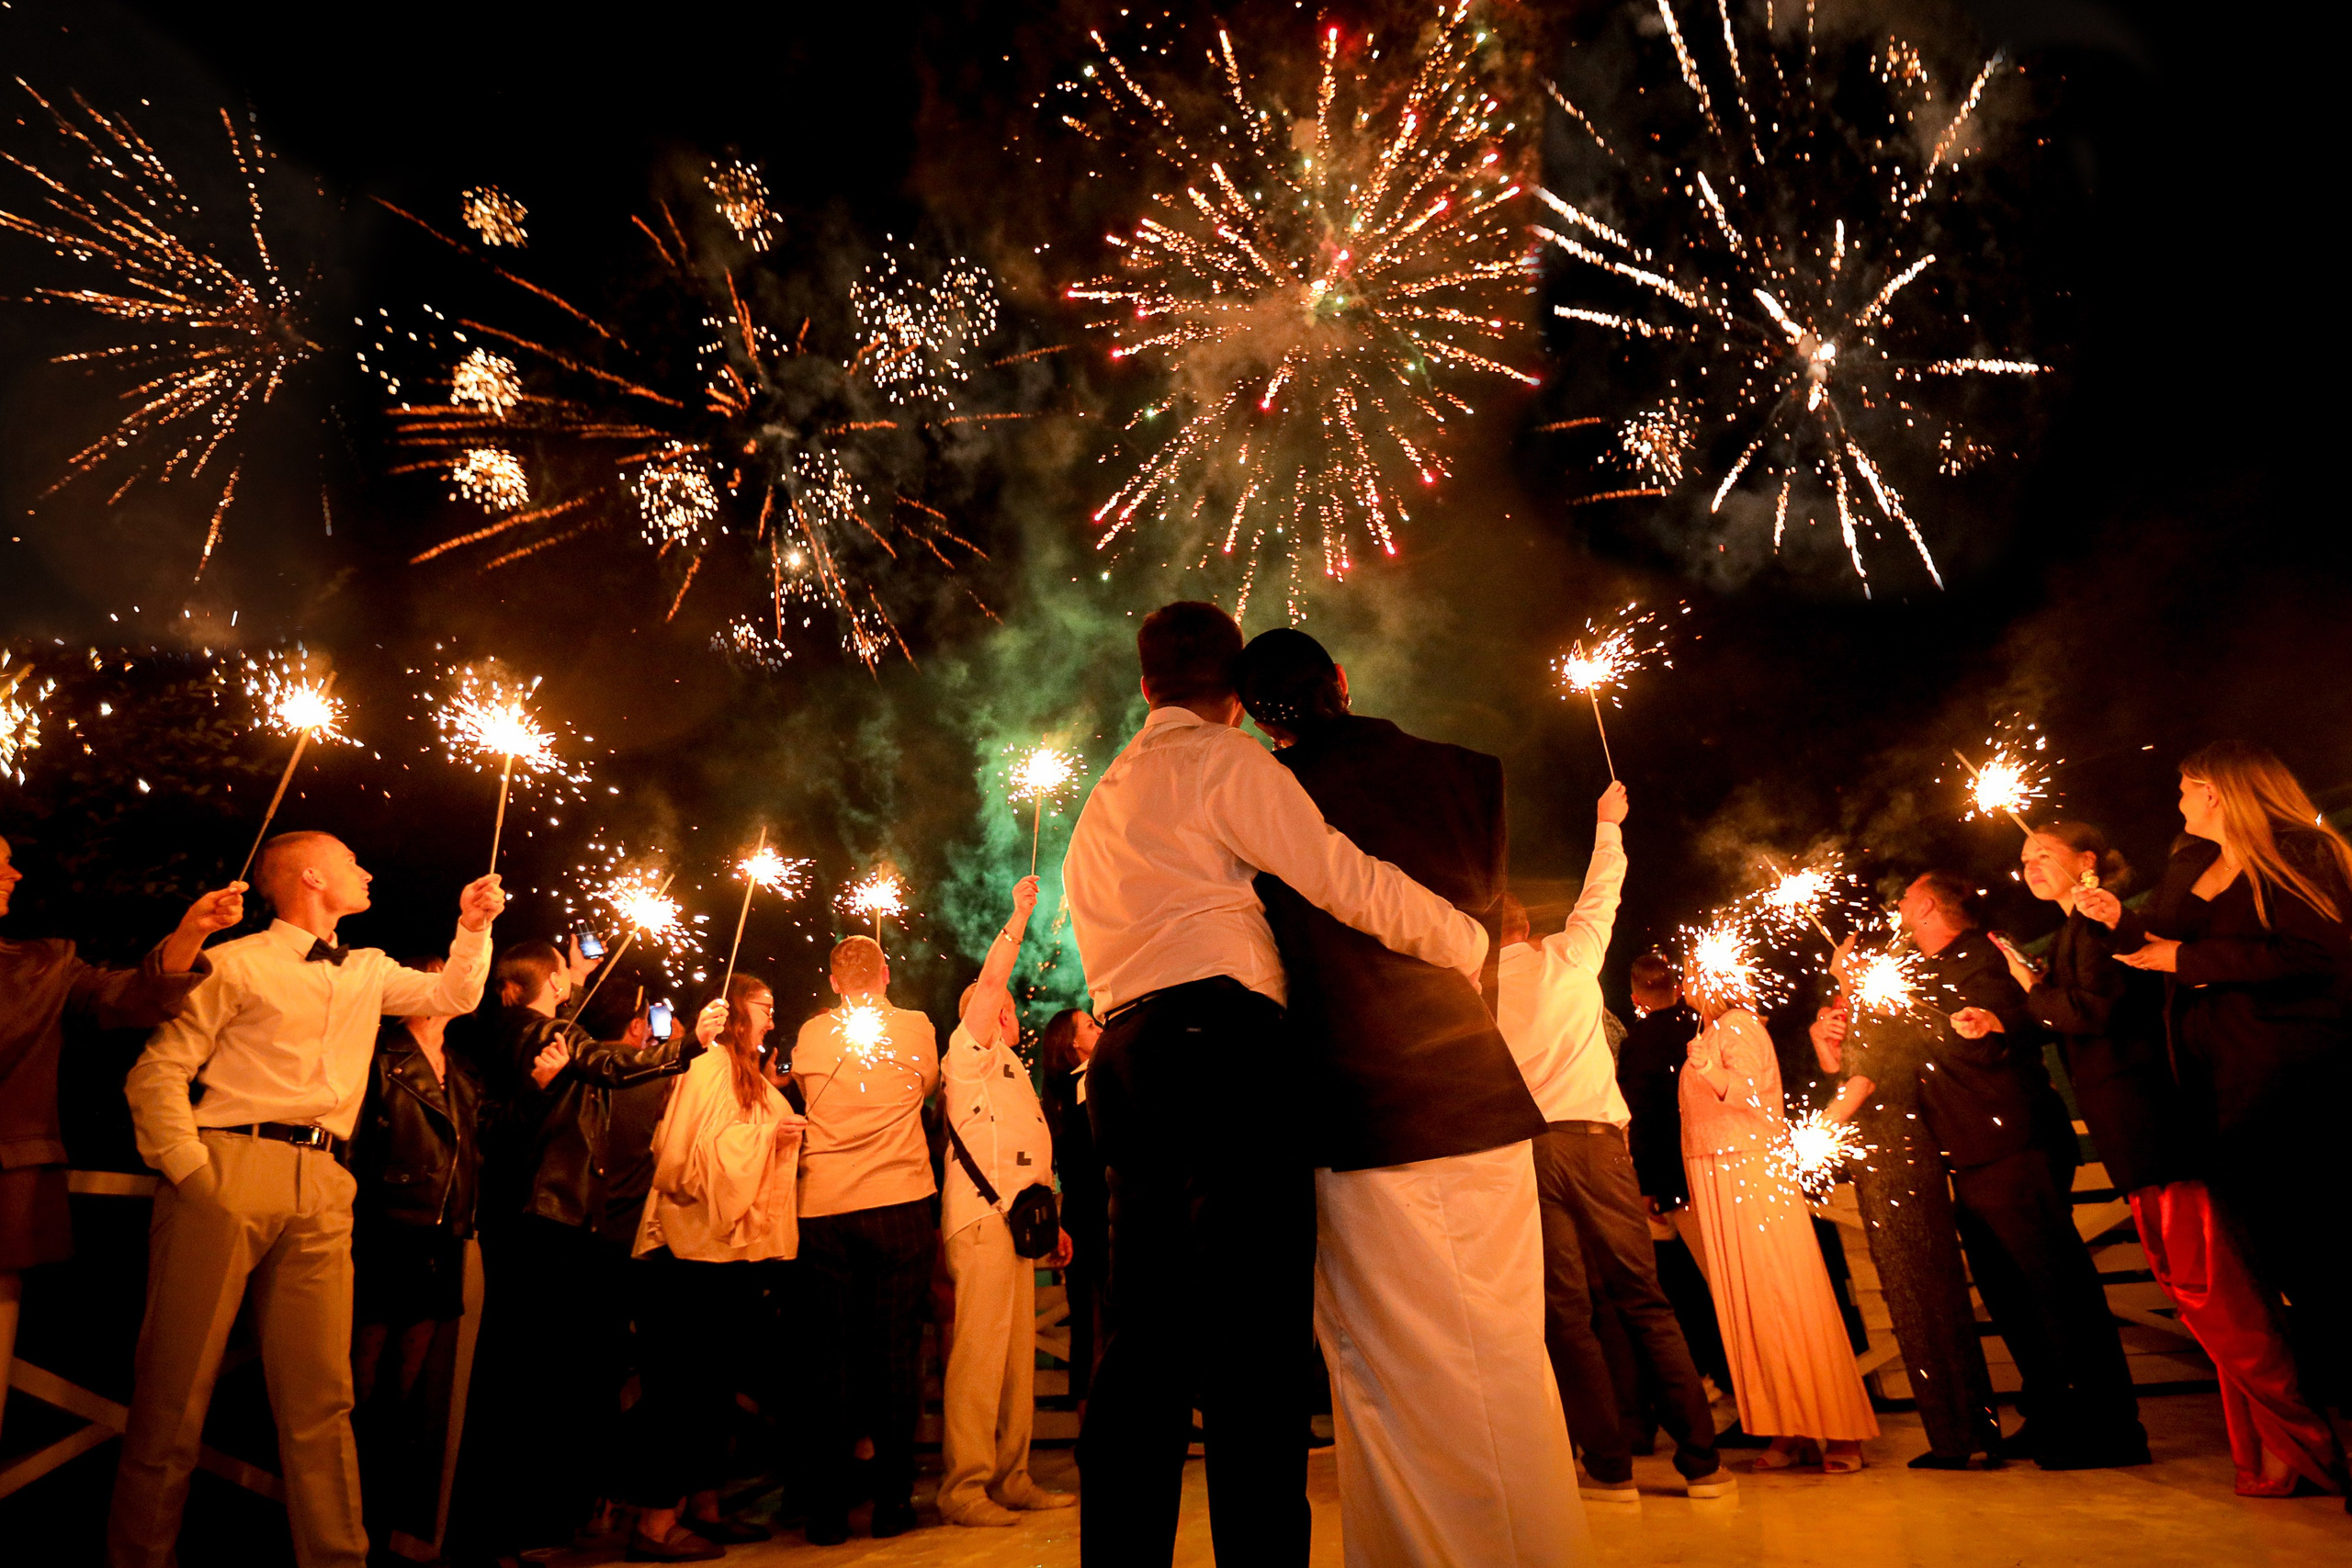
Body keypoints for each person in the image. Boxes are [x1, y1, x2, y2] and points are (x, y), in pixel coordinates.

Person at [1062, 604, 1493, 1568]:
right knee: (1251, 1342)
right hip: (1224, 1050)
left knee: (1141, 1344)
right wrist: (1462, 938)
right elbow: (1343, 876)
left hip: (1124, 1058)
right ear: (1236, 695)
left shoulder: (1101, 798)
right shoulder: (1226, 762)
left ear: (1144, 686)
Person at [1236, 626, 1583, 1566]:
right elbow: (1479, 933)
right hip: (1477, 1091)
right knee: (1507, 1352)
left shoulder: (1271, 799)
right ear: (1341, 682)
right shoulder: (1469, 772)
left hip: (1359, 1114)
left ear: (1260, 724)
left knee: (1387, 1376)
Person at [112, 831, 502, 1568]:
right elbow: (158, 1070)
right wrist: (193, 1169)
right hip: (228, 1163)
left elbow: (454, 993)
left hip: (325, 1181)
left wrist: (473, 925)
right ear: (314, 876)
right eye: (355, 862)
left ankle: (336, 1560)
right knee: (173, 1394)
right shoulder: (234, 961)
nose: (369, 869)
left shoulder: (367, 968)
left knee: (324, 1398)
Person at [2013, 818, 2340, 1496]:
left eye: (2042, 852)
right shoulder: (2076, 932)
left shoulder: (2106, 926)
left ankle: (2306, 1444)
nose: (2029, 866)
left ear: (2088, 859)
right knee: (2204, 1300)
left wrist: (2031, 995)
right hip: (2136, 1141)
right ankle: (2268, 1448)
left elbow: (2100, 1014)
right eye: (2023, 858)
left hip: (2161, 1134)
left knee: (2223, 1298)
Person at [1837, 872, 2146, 1469]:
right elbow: (1895, 1042)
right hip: (1968, 1154)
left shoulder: (1986, 955)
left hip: (2015, 1146)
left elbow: (2010, 1024)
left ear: (1927, 905)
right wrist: (1852, 989)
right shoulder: (1920, 970)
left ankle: (2113, 1427)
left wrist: (1987, 1022)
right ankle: (2051, 1412)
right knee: (2011, 1296)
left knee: (2057, 1288)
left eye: (1905, 897)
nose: (1896, 904)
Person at [2106, 742, 2352, 1456]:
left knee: (2331, 1263)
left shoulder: (2300, 850)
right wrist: (2115, 921)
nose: (2177, 801)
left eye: (2185, 787)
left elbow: (2319, 956)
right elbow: (2161, 944)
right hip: (2232, 1096)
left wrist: (2187, 962)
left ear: (2216, 791)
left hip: (2303, 1087)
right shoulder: (2198, 864)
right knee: (2296, 1276)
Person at [1494, 783, 1729, 1506]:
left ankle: (1610, 1469)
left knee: (1566, 1311)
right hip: (1597, 1146)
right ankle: (1703, 1463)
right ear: (1528, 924)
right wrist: (1606, 824)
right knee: (1644, 1299)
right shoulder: (1569, 957)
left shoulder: (1471, 992)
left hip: (1529, 1153)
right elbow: (1605, 892)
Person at [447, 939, 707, 1566]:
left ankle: (512, 1529)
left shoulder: (506, 1026)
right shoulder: (546, 1031)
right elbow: (608, 1063)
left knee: (524, 1377)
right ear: (549, 984)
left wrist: (579, 977)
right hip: (550, 1221)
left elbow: (559, 1055)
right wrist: (691, 1041)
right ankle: (533, 1529)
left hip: (527, 1219)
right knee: (542, 1380)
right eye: (564, 976)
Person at [0, 835, 237, 1441]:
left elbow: (132, 998)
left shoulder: (44, 963)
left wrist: (190, 933)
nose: (15, 871)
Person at [627, 975, 800, 1558]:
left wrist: (779, 1120)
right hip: (688, 1254)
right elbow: (680, 1160)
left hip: (732, 1256)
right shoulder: (704, 1069)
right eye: (764, 1009)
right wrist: (769, 1135)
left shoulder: (752, 1076)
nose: (773, 1020)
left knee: (716, 1389)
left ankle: (705, 1505)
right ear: (735, 1017)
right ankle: (653, 1521)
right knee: (680, 1389)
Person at [1679, 964, 1878, 1473]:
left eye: (1691, 977)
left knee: (1785, 1292)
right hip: (1717, 1171)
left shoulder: (1741, 1024)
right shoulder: (1711, 1030)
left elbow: (1751, 1097)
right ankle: (1786, 1425)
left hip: (1749, 1170)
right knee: (1753, 1304)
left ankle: (1839, 1430)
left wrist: (1709, 1072)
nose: (1686, 987)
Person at [788, 934, 941, 1545]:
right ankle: (891, 1500)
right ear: (884, 972)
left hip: (823, 1206)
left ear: (832, 980)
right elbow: (924, 1088)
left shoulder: (811, 1034)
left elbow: (807, 1096)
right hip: (899, 1201)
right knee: (893, 1354)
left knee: (833, 1358)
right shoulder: (915, 1026)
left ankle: (827, 1508)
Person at [1809, 989, 2003, 1471]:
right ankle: (1975, 1432)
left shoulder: (1876, 1012)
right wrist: (1822, 1044)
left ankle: (1955, 1439)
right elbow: (1845, 1074)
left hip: (1893, 1160)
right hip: (1898, 1157)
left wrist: (1806, 1143)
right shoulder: (1873, 1012)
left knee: (1918, 1295)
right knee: (1932, 1294)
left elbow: (1860, 1086)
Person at [937, 874, 1079, 1527]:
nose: (1010, 1007)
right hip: (981, 1221)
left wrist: (1051, 1218)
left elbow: (1025, 1148)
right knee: (981, 1353)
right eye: (999, 1003)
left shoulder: (1011, 1068)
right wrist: (1017, 917)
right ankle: (964, 1486)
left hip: (1017, 1225)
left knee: (1017, 1355)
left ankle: (1012, 1474)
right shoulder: (968, 1052)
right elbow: (990, 982)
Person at [350, 954, 481, 1545]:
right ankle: (346, 1520)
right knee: (360, 1387)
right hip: (386, 1230)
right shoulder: (378, 1055)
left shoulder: (462, 1069)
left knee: (405, 1391)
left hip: (441, 1235)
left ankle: (382, 1525)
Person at [1038, 1007, 1106, 1408]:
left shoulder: (1058, 1098)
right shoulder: (1082, 1091)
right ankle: (1098, 1428)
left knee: (1089, 1323)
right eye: (1090, 1026)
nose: (1099, 1030)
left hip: (1082, 1214)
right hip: (1096, 1215)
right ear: (1072, 1043)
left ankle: (1091, 1427)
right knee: (1097, 1323)